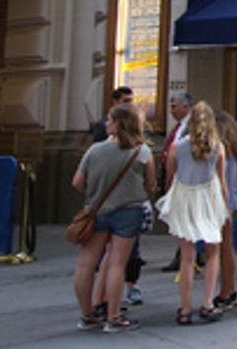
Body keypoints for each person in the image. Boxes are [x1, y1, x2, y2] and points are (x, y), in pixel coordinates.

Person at [73, 103, 156, 333]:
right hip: (129, 210)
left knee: (86, 263)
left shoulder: (94, 151)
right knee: (117, 263)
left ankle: (86, 314)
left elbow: (77, 183)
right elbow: (150, 185)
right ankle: (114, 316)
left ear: (119, 123)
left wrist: (95, 194)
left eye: (110, 119)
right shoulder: (143, 152)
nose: (106, 123)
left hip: (97, 210)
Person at [156, 101, 228, 325]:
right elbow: (222, 180)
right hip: (208, 196)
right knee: (213, 252)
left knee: (187, 257)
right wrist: (225, 206)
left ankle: (185, 308)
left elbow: (170, 177)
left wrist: (169, 195)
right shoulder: (218, 146)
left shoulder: (177, 147)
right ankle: (207, 303)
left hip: (185, 195)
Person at [159, 92, 197, 273]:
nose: (171, 110)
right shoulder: (178, 127)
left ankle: (184, 255)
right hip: (175, 175)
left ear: (186, 107)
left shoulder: (192, 127)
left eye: (174, 106)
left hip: (186, 178)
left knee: (185, 218)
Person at [213, 110, 237, 310]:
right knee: (227, 246)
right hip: (231, 198)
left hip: (220, 198)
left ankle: (226, 291)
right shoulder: (236, 148)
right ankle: (229, 288)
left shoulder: (220, 149)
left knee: (218, 248)